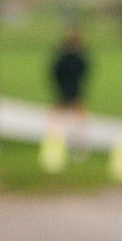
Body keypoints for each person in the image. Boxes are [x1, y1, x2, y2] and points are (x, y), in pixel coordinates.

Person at [48, 26, 91, 155]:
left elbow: (55, 72)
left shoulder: (63, 57)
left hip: (66, 88)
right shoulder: (77, 57)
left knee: (61, 116)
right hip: (72, 88)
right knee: (74, 115)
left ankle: (60, 141)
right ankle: (72, 141)